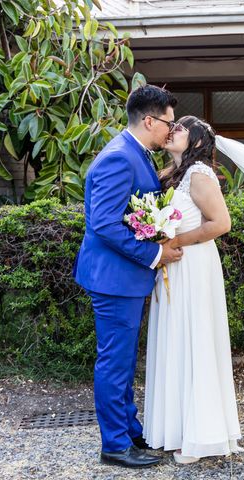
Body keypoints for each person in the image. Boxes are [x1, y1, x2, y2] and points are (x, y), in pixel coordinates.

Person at [73, 85, 186, 468]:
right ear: (150, 120)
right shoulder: (119, 158)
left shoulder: (137, 154)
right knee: (114, 363)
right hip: (113, 279)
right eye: (169, 124)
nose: (171, 132)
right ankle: (115, 446)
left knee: (122, 361)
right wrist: (155, 252)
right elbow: (104, 224)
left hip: (124, 278)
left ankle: (129, 431)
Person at [143, 115, 243, 464]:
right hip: (172, 267)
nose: (173, 130)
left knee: (194, 340)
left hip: (194, 266)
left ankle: (202, 434)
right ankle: (175, 428)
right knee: (175, 340)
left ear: (198, 142)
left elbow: (221, 223)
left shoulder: (199, 174)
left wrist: (173, 242)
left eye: (182, 128)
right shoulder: (171, 176)